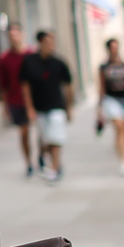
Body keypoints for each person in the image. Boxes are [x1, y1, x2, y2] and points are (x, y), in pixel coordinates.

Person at [19, 31, 74, 184]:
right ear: (41, 43)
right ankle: (54, 162)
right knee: (45, 139)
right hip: (39, 107)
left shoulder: (59, 63)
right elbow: (25, 86)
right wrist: (29, 107)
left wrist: (69, 107)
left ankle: (54, 168)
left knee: (55, 137)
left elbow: (68, 85)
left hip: (57, 106)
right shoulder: (30, 62)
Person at [0, 23, 34, 176]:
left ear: (22, 34)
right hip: (16, 100)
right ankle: (29, 162)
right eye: (11, 35)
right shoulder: (4, 59)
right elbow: (3, 85)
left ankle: (42, 155)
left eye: (16, 34)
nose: (14, 38)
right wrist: (6, 107)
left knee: (43, 132)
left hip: (36, 99)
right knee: (24, 132)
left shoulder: (32, 54)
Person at [96, 39, 124, 174]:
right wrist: (99, 107)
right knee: (120, 128)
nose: (114, 49)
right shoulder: (104, 67)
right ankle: (123, 160)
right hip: (112, 99)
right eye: (112, 47)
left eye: (116, 47)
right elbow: (101, 87)